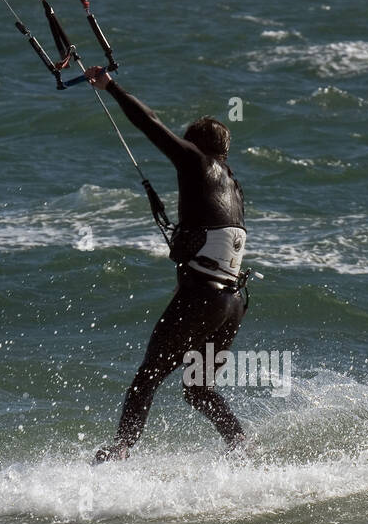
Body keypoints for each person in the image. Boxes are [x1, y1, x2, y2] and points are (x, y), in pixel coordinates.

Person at [85, 66, 249, 461]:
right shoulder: (233, 187)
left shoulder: (197, 162)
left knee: (147, 376)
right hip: (233, 302)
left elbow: (151, 124)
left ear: (195, 146)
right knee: (198, 389)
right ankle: (242, 446)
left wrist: (111, 87)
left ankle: (122, 450)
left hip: (205, 296)